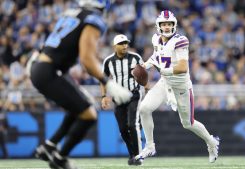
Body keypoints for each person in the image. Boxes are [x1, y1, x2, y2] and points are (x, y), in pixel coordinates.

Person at [27, 1, 132, 169]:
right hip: (50, 71)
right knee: (89, 115)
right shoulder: (93, 18)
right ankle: (60, 159)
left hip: (44, 67)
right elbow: (86, 59)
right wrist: (108, 83)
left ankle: (50, 146)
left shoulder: (72, 12)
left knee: (84, 105)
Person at [135, 10, 220, 163]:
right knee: (144, 109)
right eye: (164, 24)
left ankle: (211, 142)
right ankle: (150, 146)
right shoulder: (156, 39)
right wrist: (146, 65)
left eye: (169, 24)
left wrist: (163, 70)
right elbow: (157, 56)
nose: (167, 27)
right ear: (158, 25)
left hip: (181, 86)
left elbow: (182, 67)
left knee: (188, 123)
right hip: (165, 82)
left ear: (174, 25)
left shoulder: (180, 41)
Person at [101, 34, 144, 166]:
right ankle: (132, 154)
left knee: (132, 125)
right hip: (118, 98)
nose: (125, 45)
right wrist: (103, 96)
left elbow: (144, 75)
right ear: (115, 46)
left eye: (126, 43)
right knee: (123, 129)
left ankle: (138, 156)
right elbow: (103, 79)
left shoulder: (135, 58)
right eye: (121, 43)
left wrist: (146, 87)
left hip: (133, 94)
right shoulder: (108, 61)